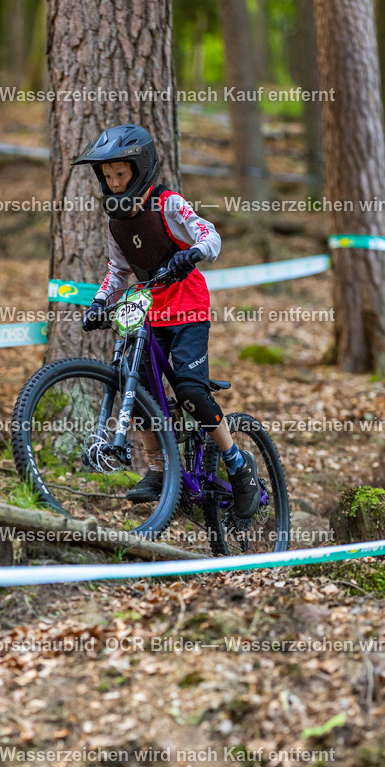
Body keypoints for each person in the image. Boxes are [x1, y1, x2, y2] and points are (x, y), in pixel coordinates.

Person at [72, 123, 261, 519]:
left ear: (139, 170)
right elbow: (117, 270)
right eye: (107, 176)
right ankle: (159, 470)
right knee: (136, 388)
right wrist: (99, 303)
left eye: (120, 173)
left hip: (188, 305)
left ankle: (238, 464)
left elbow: (210, 237)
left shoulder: (168, 204)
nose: (114, 182)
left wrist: (190, 254)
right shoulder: (116, 223)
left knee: (191, 391)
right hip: (145, 309)